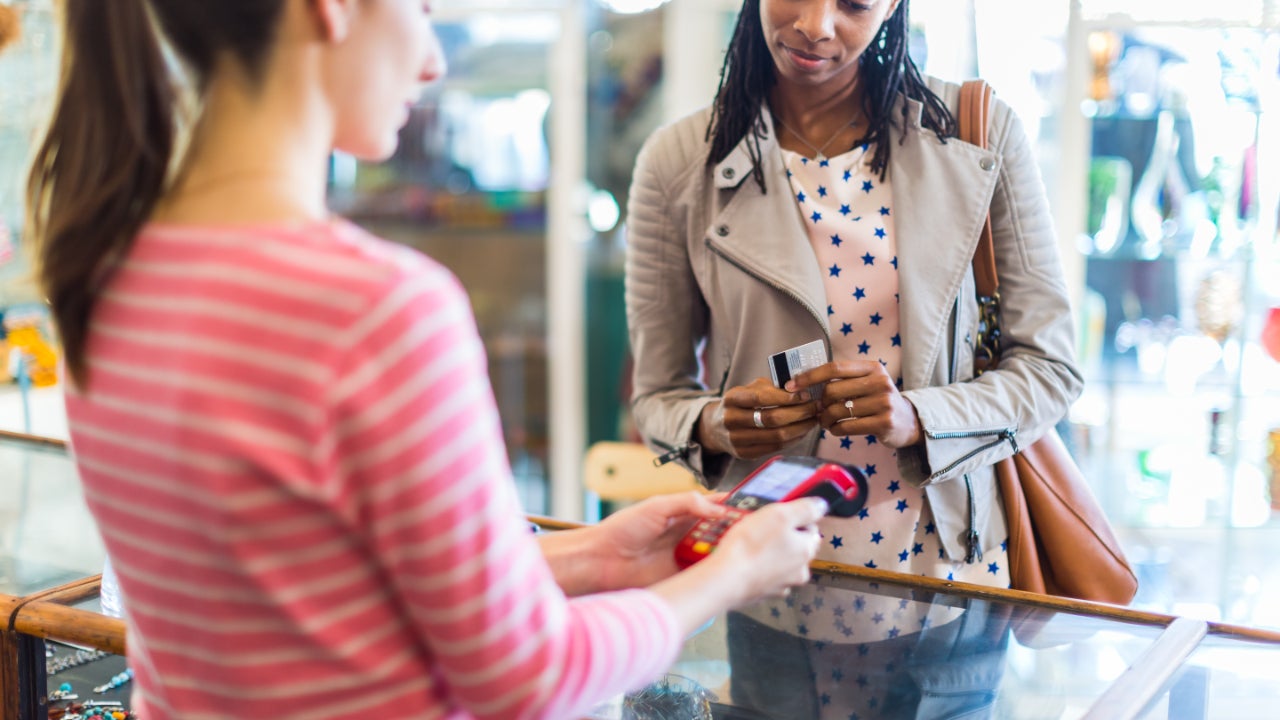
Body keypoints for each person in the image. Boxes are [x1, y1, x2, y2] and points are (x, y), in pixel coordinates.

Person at [25, 2, 827, 718]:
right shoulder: (377, 310)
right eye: (423, 9)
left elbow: (302, 588)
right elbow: (528, 677)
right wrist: (727, 578)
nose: (434, 61)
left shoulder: (105, 277)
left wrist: (596, 554)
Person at [626, 0, 1081, 630]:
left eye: (855, 3)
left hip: (951, 586)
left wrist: (919, 416)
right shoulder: (677, 162)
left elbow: (1050, 370)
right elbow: (656, 396)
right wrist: (716, 425)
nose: (815, 25)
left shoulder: (979, 133)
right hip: (765, 587)